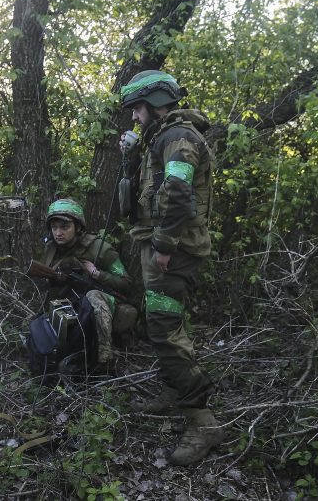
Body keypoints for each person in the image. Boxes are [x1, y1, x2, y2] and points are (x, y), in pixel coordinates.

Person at [118, 70, 223, 465]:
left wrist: (163, 245)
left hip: (172, 250)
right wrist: (131, 154)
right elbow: (149, 190)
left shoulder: (178, 138)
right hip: (164, 246)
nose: (134, 118)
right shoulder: (161, 138)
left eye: (137, 110)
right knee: (166, 325)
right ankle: (174, 392)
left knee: (164, 330)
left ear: (154, 102)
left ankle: (203, 422)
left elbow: (178, 194)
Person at [40, 198, 137, 367]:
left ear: (77, 227)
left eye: (65, 227)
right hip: (68, 310)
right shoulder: (51, 249)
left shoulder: (99, 248)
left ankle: (104, 358)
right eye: (54, 227)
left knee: (93, 296)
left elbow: (127, 284)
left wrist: (97, 274)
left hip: (101, 306)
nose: (58, 233)